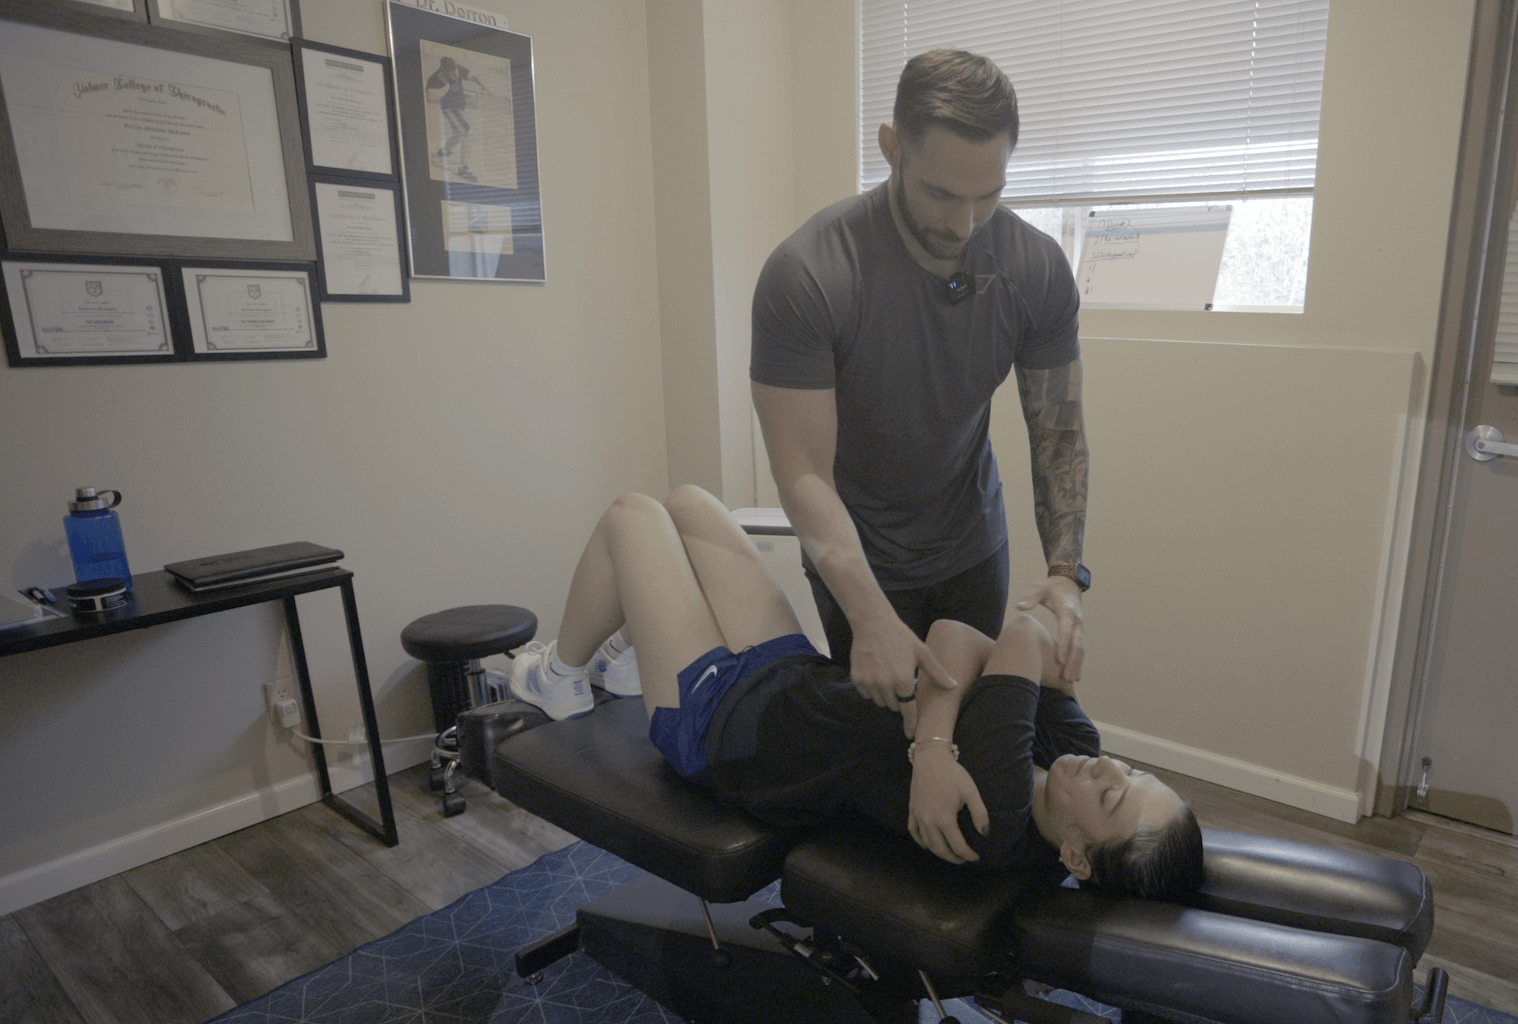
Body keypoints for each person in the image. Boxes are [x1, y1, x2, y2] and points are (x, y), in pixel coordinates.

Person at [505, 485, 1200, 897]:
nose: (1108, 766)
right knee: (689, 504)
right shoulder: (1074, 750)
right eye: (1131, 770)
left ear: (1076, 857)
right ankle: (631, 648)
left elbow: (1017, 635)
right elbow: (956, 634)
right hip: (796, 678)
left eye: (1111, 795)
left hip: (728, 731)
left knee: (631, 514)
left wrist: (942, 714)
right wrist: (932, 742)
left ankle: (560, 675)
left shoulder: (1001, 807)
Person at [751, 48, 1090, 720]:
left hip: (971, 545)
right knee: (886, 752)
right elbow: (803, 474)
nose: (965, 226)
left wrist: (1064, 575)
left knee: (974, 736)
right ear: (891, 149)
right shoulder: (809, 275)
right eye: (941, 194)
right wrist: (870, 615)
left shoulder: (1035, 269)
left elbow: (1058, 431)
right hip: (859, 557)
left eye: (988, 196)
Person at [425, 56, 487, 183]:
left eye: (456, 71)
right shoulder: (434, 79)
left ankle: (444, 151)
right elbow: (430, 99)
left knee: (459, 136)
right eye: (452, 72)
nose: (456, 74)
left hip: (459, 107)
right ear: (444, 71)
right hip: (450, 108)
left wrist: (482, 85)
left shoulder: (457, 69)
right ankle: (462, 168)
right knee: (469, 134)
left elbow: (472, 76)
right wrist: (446, 85)